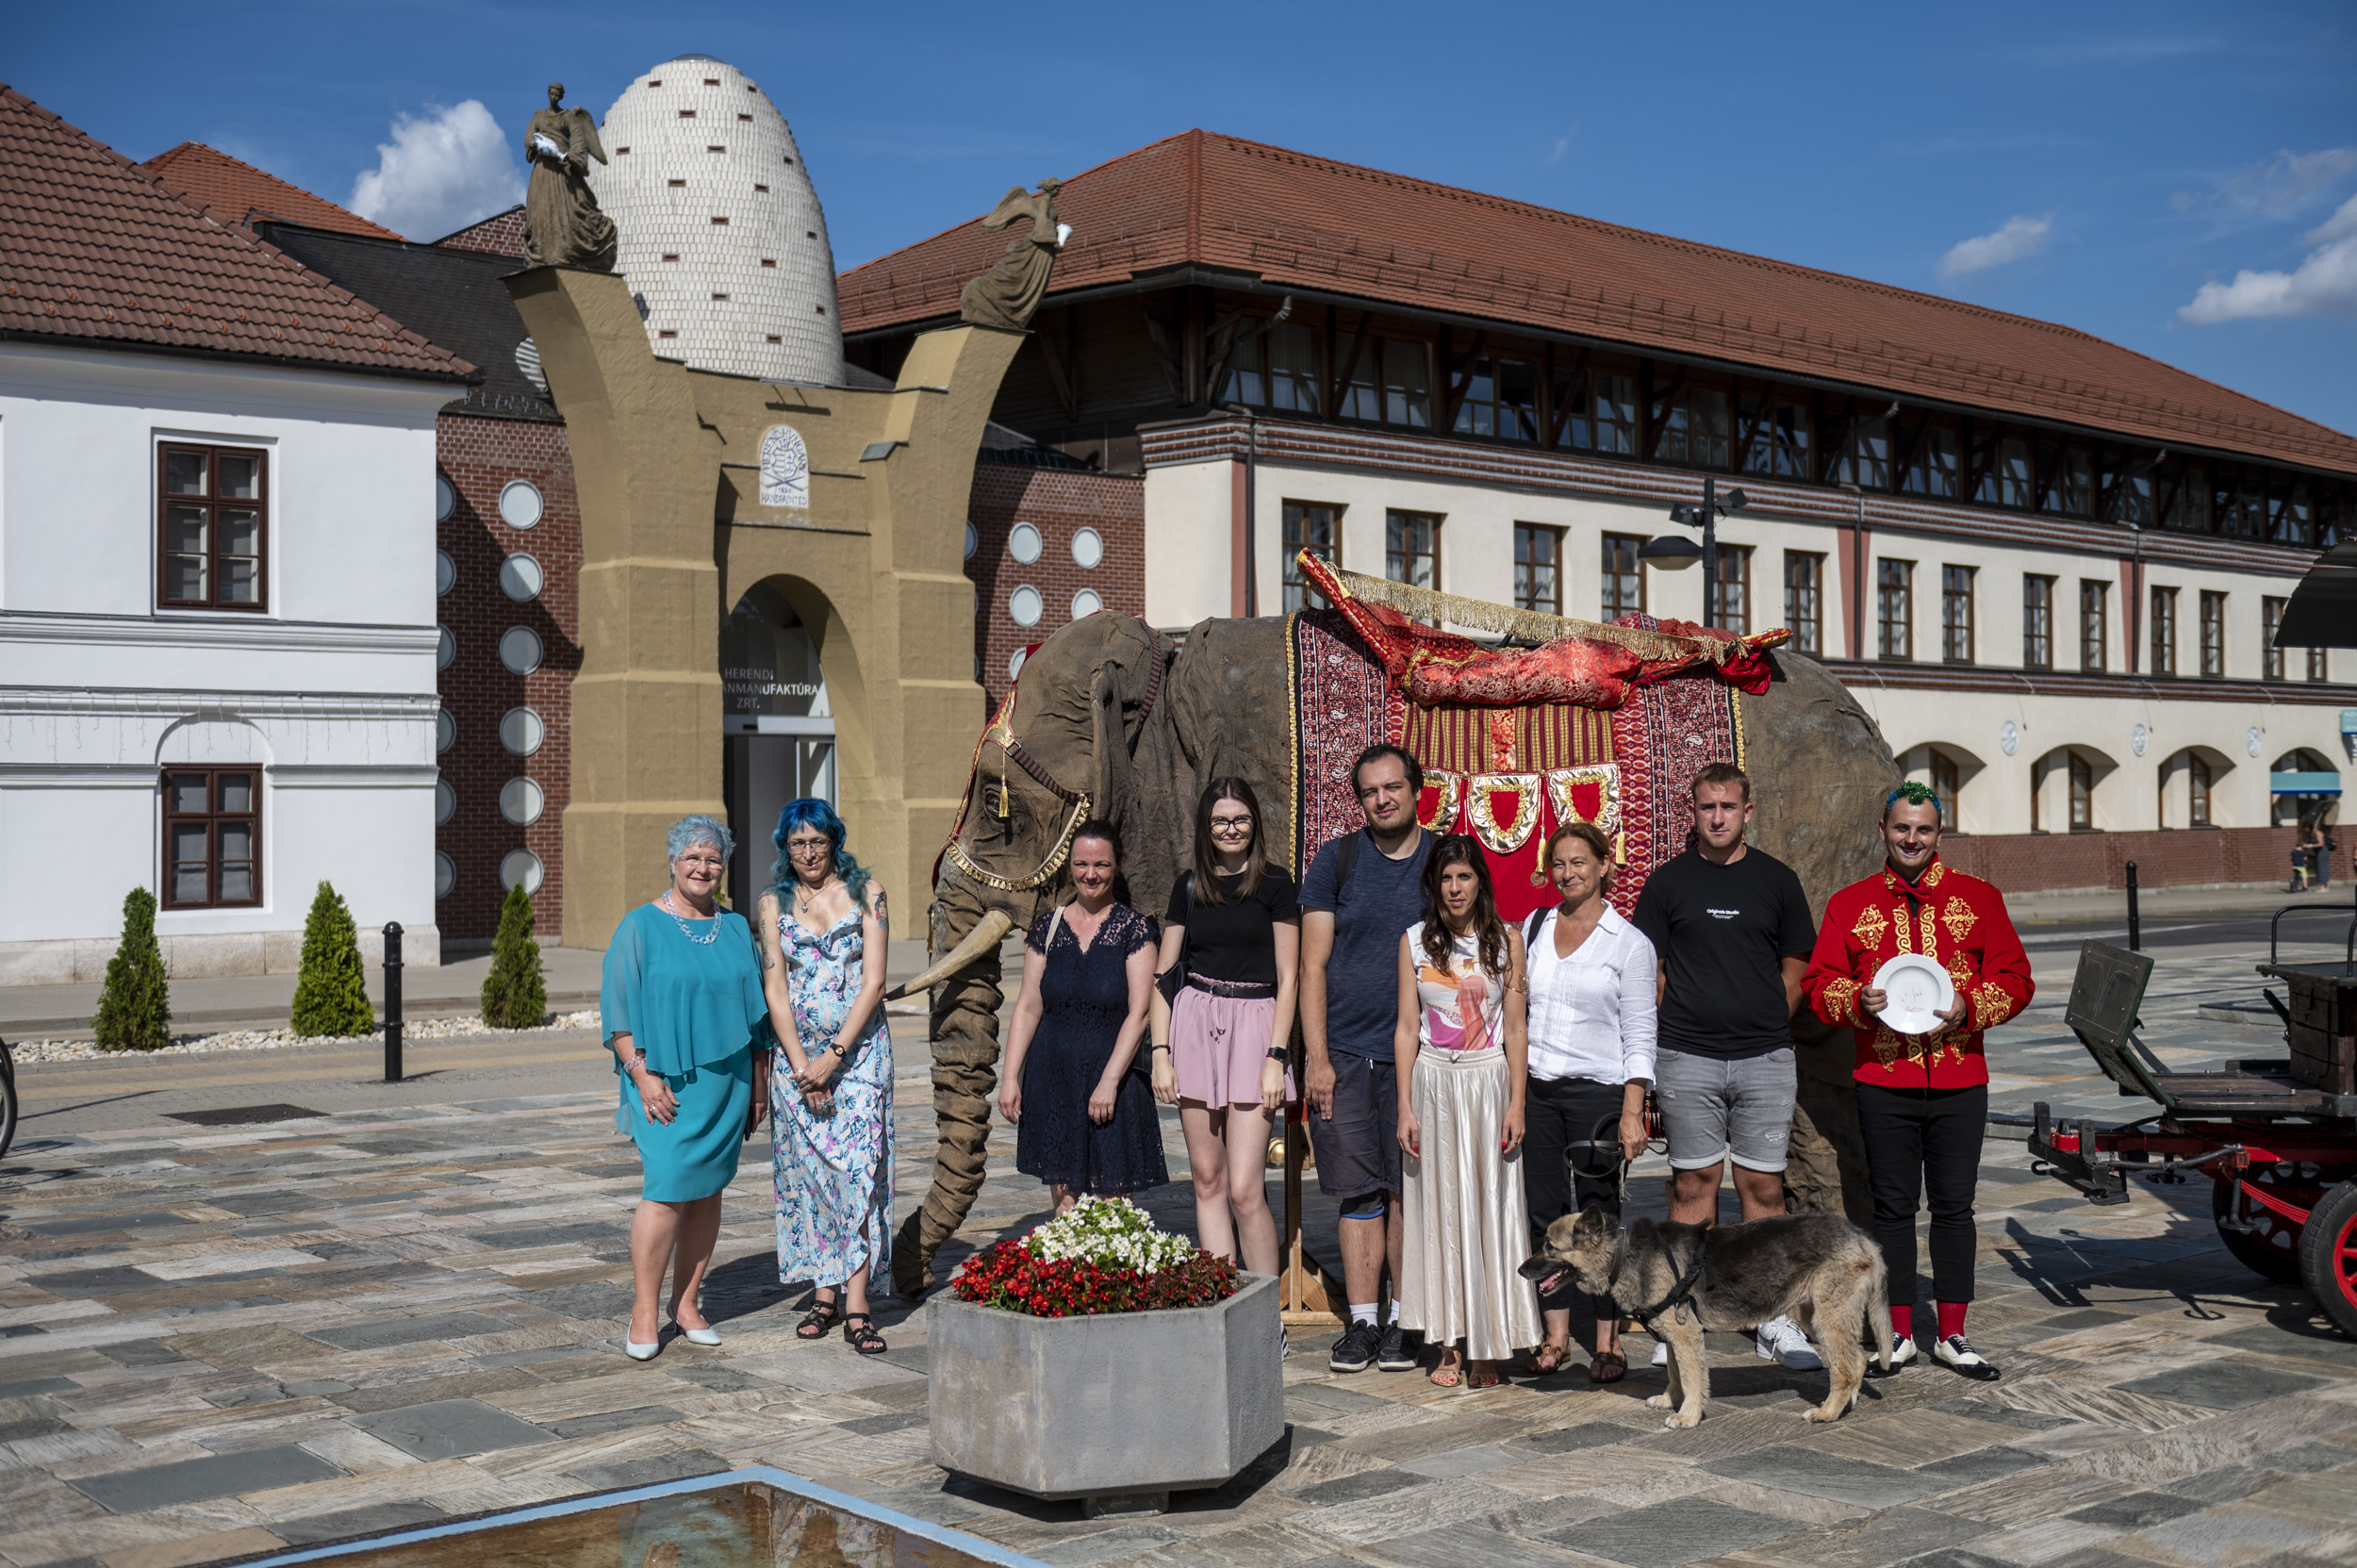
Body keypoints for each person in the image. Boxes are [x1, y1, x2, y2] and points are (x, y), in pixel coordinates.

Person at [1804, 782, 2032, 1380]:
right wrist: (1857, 999)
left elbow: (2016, 979)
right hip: (1884, 1079)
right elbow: (1819, 985)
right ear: (1882, 831)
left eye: (1923, 829)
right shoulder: (1849, 904)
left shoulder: (1979, 898)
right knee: (1894, 1208)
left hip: (1960, 1077)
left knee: (1956, 1207)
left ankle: (1952, 1334)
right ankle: (1899, 1333)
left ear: (1939, 834)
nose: (1912, 839)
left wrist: (1969, 1005)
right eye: (1902, 828)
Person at [1630, 762, 1821, 1372]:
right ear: (1694, 811)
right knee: (1693, 1186)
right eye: (1707, 807)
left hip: (1766, 1058)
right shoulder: (1667, 883)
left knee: (1763, 1187)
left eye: (1728, 807)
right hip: (1688, 1057)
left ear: (1747, 811)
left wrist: (1765, 1017)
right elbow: (1652, 969)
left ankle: (1774, 1319)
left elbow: (1797, 964)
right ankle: (1681, 1316)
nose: (1718, 817)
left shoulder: (1777, 881)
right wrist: (1687, 1023)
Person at [600, 815, 770, 1361]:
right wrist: (641, 1076)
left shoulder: (737, 928)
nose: (703, 867)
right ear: (673, 862)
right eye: (693, 857)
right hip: (663, 1085)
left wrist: (760, 1086)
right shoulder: (639, 926)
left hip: (728, 1083)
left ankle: (687, 1303)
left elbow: (758, 1017)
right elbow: (618, 1013)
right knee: (667, 1189)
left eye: (713, 858)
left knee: (708, 1190)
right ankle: (644, 1311)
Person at [1301, 743, 1436, 1375]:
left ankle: (1406, 1321)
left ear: (1416, 791)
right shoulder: (1338, 859)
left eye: (1393, 787)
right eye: (1370, 791)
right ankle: (1362, 1323)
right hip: (1348, 1054)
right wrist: (1317, 1057)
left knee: (1408, 1190)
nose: (1382, 799)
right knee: (1358, 1191)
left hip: (1425, 1056)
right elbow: (1313, 965)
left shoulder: (1445, 860)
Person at [1394, 834, 1540, 1388]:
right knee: (1440, 1211)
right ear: (1433, 885)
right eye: (1445, 878)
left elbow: (1517, 1029)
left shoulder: (1507, 940)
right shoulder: (1413, 942)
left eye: (1464, 877)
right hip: (1432, 1083)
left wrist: (1517, 1102)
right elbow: (1406, 1028)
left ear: (1480, 881)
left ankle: (1487, 1345)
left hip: (1488, 1084)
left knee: (1489, 1208)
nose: (1455, 888)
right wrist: (1404, 1105)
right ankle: (1449, 1344)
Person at [757, 799, 894, 1358]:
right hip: (796, 1065)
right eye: (798, 844)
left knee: (857, 1175)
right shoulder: (772, 903)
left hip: (859, 1059)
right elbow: (775, 989)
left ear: (835, 841)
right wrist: (801, 1067)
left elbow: (875, 982)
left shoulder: (869, 895)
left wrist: (832, 1059)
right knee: (813, 1180)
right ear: (785, 849)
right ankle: (824, 1293)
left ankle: (858, 1304)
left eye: (818, 841)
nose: (809, 853)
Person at [1521, 821, 1656, 1383]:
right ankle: (1556, 1336)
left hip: (1597, 1091)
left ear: (1604, 866)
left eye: (1579, 862)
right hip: (1537, 1089)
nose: (1567, 873)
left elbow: (1640, 1031)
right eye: (1558, 863)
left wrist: (1632, 1110)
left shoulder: (1629, 943)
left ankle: (1608, 1341)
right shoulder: (1532, 928)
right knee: (1543, 1211)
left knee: (1599, 1217)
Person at [1150, 778, 1298, 1278]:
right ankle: (1222, 1296)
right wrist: (1160, 1053)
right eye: (1220, 821)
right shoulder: (1190, 886)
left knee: (1245, 1190)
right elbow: (1164, 974)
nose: (1231, 829)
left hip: (1255, 1028)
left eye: (1240, 820)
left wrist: (1276, 1057)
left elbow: (1289, 977)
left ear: (1254, 823)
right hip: (1195, 1024)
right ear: (1205, 827)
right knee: (1208, 1180)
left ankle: (1264, 1308)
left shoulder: (1275, 884)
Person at [999, 820, 1166, 1207]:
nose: (1090, 874)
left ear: (1117, 865)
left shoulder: (1134, 930)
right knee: (1065, 1204)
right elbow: (1028, 1006)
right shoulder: (1047, 928)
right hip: (1054, 1081)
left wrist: (1109, 1082)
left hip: (1115, 1083)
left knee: (1112, 1204)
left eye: (1101, 865)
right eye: (1081, 864)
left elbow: (1140, 1014)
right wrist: (1009, 1078)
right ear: (1070, 866)